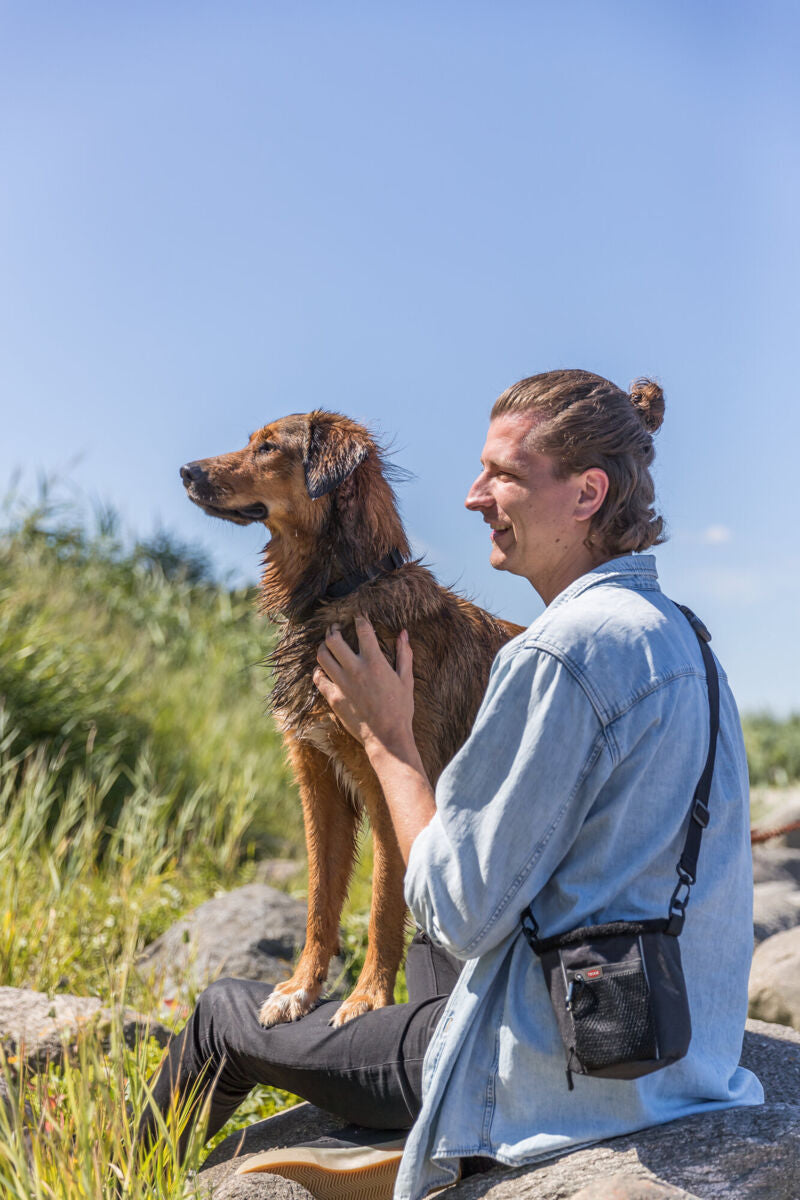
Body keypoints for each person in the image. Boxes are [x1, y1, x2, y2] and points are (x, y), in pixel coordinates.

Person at [138, 370, 762, 1200]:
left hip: (544, 1073)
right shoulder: (687, 639)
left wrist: (390, 739)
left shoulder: (557, 654)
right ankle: (400, 1135)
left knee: (223, 1012)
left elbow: (463, 910)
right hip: (675, 1053)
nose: (473, 498)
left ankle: (109, 1175)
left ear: (587, 494)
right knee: (425, 952)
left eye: (503, 475)